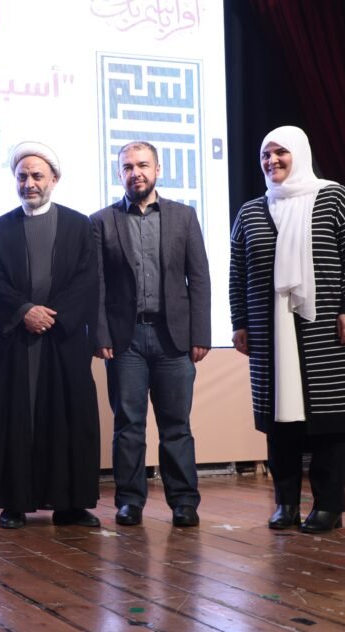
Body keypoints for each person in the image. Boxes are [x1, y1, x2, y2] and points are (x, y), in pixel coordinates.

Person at [230, 125, 345, 534]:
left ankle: (329, 506)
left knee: (329, 420)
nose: (271, 160)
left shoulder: (334, 198)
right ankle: (286, 503)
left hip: (324, 326)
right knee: (279, 422)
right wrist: (239, 322)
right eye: (265, 154)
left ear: (300, 153)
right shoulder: (251, 212)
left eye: (280, 152)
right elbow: (237, 271)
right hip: (268, 329)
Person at [0, 141, 101, 529]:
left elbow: (87, 280)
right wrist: (24, 311)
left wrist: (51, 316)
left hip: (62, 342)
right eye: (22, 176)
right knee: (13, 418)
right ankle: (14, 502)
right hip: (16, 343)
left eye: (37, 176)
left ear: (54, 180)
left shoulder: (80, 226)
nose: (29, 183)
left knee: (67, 420)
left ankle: (69, 504)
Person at [90, 141, 211, 528]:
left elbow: (199, 278)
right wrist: (100, 334)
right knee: (128, 425)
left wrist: (201, 333)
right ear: (119, 173)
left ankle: (184, 502)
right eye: (128, 167)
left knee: (177, 425)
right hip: (124, 341)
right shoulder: (101, 221)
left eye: (142, 165)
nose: (135, 172)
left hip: (172, 338)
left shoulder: (183, 216)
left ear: (157, 169)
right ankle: (129, 501)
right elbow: (97, 284)